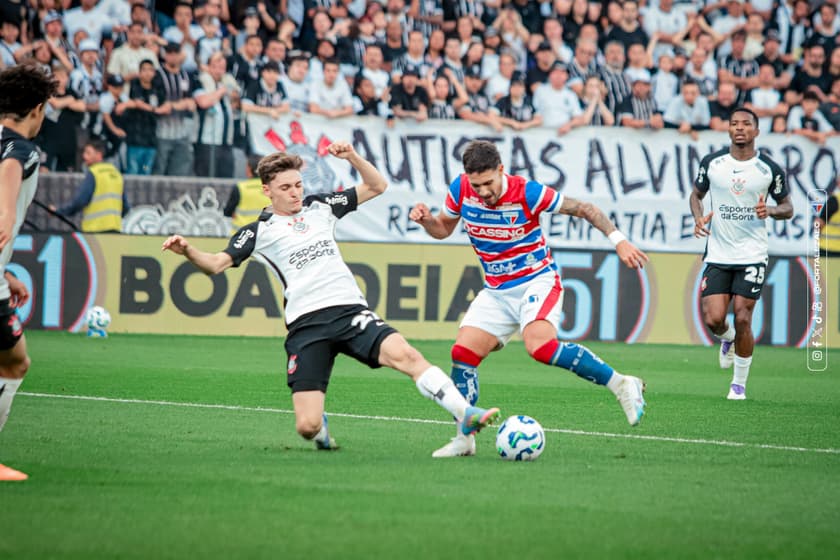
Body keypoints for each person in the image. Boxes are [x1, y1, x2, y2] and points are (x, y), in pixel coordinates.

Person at [161, 142, 501, 452]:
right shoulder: (257, 232)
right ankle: (321, 431)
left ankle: (465, 414)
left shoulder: (320, 206)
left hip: (349, 311)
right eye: (285, 188)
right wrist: (189, 250)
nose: (295, 193)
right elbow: (216, 265)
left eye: (298, 184)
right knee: (306, 427)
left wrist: (353, 157)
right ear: (267, 191)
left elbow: (377, 186)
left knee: (407, 355)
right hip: (306, 326)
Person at [409, 140, 649, 458]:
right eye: (476, 185)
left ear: (501, 171)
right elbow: (443, 230)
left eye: (488, 183)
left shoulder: (527, 192)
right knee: (462, 353)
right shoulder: (461, 189)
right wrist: (427, 220)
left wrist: (618, 241)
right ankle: (464, 440)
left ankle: (620, 383)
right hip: (497, 290)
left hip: (537, 280)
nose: (483, 192)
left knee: (540, 347)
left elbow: (585, 209)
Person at [689, 107, 793, 400]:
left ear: (756, 131)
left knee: (743, 317)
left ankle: (738, 385)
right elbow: (695, 195)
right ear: (729, 130)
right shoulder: (713, 163)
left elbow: (788, 207)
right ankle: (728, 340)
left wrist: (770, 210)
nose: (739, 128)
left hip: (752, 253)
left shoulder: (768, 170)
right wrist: (698, 216)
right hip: (719, 252)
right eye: (734, 124)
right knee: (714, 319)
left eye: (746, 124)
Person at [0, 64, 58, 482]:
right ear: (35, 109)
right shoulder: (21, 149)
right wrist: (3, 217)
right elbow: (7, 178)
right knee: (14, 363)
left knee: (13, 359)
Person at [53, 139, 129, 233]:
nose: (84, 156)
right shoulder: (116, 174)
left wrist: (59, 211)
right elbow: (125, 207)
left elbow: (80, 201)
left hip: (95, 231)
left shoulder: (94, 173)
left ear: (99, 155)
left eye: (88, 153)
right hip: (115, 230)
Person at [223, 155, 270, 234]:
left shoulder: (240, 188)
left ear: (249, 169)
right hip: (265, 234)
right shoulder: (271, 188)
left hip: (241, 236)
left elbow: (227, 212)